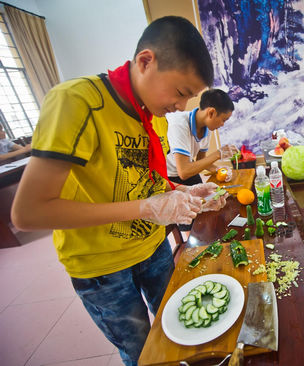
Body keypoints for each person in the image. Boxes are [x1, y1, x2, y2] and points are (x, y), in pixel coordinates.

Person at [11, 16, 227, 366]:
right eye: (181, 92)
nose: (182, 106)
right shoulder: (77, 101)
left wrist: (184, 192)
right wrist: (145, 208)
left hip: (152, 246)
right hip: (101, 267)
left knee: (183, 326)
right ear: (146, 61)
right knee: (143, 352)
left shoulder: (152, 113)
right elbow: (29, 212)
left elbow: (141, 179)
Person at [166, 89, 236, 231]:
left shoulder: (206, 128)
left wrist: (218, 170)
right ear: (211, 113)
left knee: (209, 209)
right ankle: (190, 244)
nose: (223, 124)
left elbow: (202, 162)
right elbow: (184, 172)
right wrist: (217, 154)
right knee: (190, 221)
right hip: (171, 177)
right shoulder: (179, 125)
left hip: (189, 171)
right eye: (223, 119)